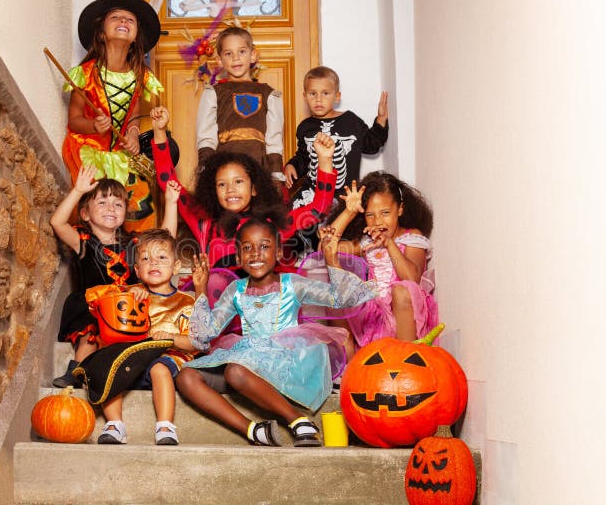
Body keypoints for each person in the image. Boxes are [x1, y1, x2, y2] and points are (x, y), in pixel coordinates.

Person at [175, 217, 377, 447]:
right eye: (248, 248)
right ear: (239, 257)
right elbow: (204, 337)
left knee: (235, 372)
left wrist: (331, 257)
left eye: (264, 246)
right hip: (248, 362)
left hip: (287, 362)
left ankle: (298, 421)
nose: (255, 254)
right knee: (186, 377)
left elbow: (342, 298)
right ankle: (253, 431)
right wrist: (201, 287)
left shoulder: (293, 284)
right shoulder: (236, 290)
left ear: (279, 252)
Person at [151, 105, 337, 270]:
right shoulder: (204, 222)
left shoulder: (274, 224)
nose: (230, 189)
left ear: (254, 188)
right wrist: (159, 133)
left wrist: (325, 159)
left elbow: (318, 209)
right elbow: (168, 182)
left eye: (238, 182)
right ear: (213, 191)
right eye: (222, 184)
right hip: (219, 306)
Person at [50, 165, 181, 388]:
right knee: (90, 333)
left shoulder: (134, 244)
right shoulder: (82, 241)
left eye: (118, 204)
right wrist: (78, 191)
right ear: (85, 214)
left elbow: (164, 239)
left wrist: (171, 202)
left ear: (124, 214)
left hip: (128, 307)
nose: (111, 207)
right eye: (102, 202)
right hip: (93, 306)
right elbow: (57, 223)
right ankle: (76, 371)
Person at [61, 0, 164, 233]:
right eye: (115, 17)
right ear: (101, 32)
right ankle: (96, 255)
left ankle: (140, 257)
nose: (123, 21)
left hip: (120, 153)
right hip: (89, 150)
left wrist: (132, 133)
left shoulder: (140, 76)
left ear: (137, 35)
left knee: (139, 203)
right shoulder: (84, 74)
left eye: (130, 19)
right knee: (97, 203)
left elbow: (134, 117)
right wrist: (93, 126)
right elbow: (74, 119)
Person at [95, 229, 196, 446]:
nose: (154, 263)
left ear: (176, 266)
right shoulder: (130, 292)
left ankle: (165, 426)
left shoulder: (185, 302)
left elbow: (193, 343)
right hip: (134, 359)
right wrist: (126, 298)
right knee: (110, 362)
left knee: (159, 368)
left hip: (169, 357)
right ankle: (115, 425)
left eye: (162, 257)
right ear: (138, 271)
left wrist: (170, 337)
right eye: (146, 259)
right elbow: (95, 302)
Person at [323, 172, 437, 343]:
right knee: (335, 299)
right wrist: (349, 212)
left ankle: (406, 359)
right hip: (374, 317)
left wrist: (390, 244)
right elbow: (327, 247)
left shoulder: (411, 237)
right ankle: (351, 364)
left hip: (405, 313)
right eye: (370, 215)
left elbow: (412, 278)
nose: (378, 221)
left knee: (401, 291)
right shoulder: (367, 243)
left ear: (400, 209)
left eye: (385, 213)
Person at [285, 67, 389, 209]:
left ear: (337, 96)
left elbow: (372, 145)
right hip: (313, 194)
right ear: (305, 96)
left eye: (325, 93)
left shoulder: (351, 121)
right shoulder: (305, 127)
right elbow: (303, 157)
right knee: (287, 218)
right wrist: (292, 165)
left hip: (344, 198)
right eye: (312, 93)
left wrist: (381, 119)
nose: (318, 99)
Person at [196, 26, 286, 188]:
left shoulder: (269, 94)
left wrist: (275, 172)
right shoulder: (214, 93)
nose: (236, 58)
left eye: (242, 52)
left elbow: (274, 138)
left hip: (259, 167)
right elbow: (206, 135)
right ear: (219, 60)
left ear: (253, 56)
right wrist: (206, 170)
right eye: (228, 54)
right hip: (225, 168)